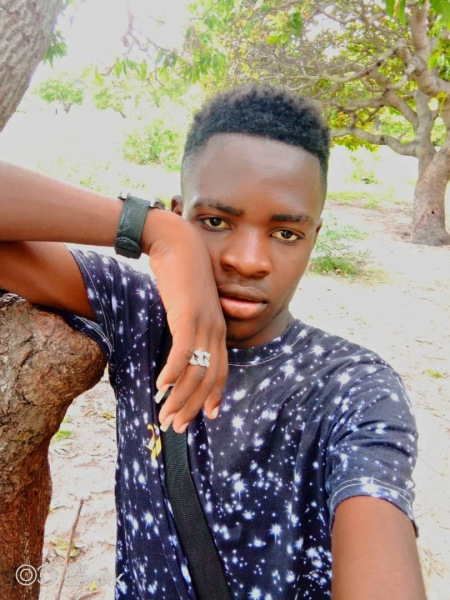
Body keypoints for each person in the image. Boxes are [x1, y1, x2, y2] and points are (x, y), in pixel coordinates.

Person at [0, 84, 427, 599]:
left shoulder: (352, 390)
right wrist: (154, 230)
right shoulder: (140, 313)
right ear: (180, 211)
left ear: (314, 237)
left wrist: (181, 231)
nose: (247, 260)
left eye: (285, 233)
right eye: (215, 222)